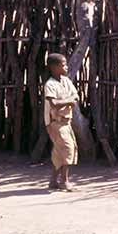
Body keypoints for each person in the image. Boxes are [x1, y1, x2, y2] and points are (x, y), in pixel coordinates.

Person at [43, 53, 80, 192]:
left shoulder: (65, 81)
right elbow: (53, 104)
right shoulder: (50, 84)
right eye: (63, 64)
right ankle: (64, 181)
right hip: (55, 122)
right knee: (68, 148)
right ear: (54, 67)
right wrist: (69, 101)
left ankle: (53, 181)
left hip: (65, 121)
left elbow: (75, 96)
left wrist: (66, 101)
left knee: (59, 152)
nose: (66, 67)